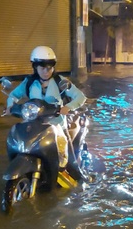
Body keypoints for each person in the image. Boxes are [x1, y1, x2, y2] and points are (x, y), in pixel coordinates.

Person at [5, 46, 87, 180]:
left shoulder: (61, 82)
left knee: (69, 161)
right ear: (35, 67)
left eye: (49, 67)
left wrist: (68, 107)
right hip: (33, 123)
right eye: (42, 67)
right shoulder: (29, 82)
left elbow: (80, 97)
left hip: (57, 124)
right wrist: (10, 106)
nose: (46, 71)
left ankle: (81, 179)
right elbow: (13, 95)